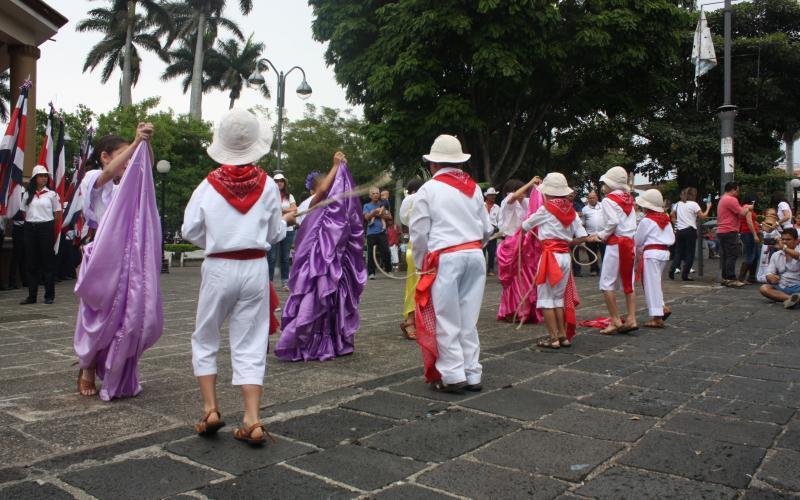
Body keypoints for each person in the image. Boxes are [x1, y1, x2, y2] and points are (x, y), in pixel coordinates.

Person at [182, 109, 290, 444]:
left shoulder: (206, 186)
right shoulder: (270, 187)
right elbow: (276, 233)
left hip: (218, 267)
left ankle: (211, 409)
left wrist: (217, 240)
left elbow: (190, 230)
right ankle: (252, 419)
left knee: (206, 336)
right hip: (255, 267)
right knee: (251, 342)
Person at [73, 123, 163, 400]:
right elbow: (111, 172)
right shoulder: (93, 177)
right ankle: (87, 367)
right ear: (105, 156)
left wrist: (144, 144)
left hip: (130, 256)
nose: (130, 158)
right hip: (102, 254)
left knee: (132, 315)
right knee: (98, 314)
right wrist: (136, 142)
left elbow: (143, 170)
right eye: (125, 153)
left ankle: (118, 367)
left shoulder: (127, 185)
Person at [410, 134, 492, 393]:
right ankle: (473, 372)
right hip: (474, 253)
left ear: (433, 164)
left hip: (445, 257)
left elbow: (419, 233)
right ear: (460, 163)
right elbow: (487, 228)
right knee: (468, 318)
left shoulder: (429, 189)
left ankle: (454, 374)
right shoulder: (475, 188)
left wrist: (423, 262)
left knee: (447, 318)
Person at [275, 152, 366, 362]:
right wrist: (336, 167)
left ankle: (327, 341)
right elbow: (324, 190)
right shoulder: (312, 203)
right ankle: (312, 341)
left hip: (323, 261)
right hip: (313, 261)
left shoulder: (331, 208)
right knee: (314, 296)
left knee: (327, 298)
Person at [521, 173, 587, 348]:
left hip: (550, 256)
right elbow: (582, 236)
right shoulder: (572, 211)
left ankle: (553, 338)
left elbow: (526, 225)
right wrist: (564, 242)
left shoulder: (545, 209)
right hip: (565, 255)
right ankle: (562, 335)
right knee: (558, 298)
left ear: (548, 192)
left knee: (545, 298)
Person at [586, 166, 638, 335]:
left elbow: (613, 222)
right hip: (630, 242)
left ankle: (615, 319)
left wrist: (599, 236)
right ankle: (631, 318)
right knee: (628, 282)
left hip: (616, 243)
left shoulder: (609, 200)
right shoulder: (629, 198)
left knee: (606, 283)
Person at [496, 176, 544, 324]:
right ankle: (512, 309)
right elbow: (514, 197)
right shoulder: (507, 201)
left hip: (524, 243)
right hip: (511, 242)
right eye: (521, 190)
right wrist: (530, 182)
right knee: (513, 278)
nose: (524, 193)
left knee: (525, 276)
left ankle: (526, 309)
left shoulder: (527, 202)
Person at [19, 165, 61, 305]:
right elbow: (24, 212)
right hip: (30, 228)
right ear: (34, 178)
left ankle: (49, 295)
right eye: (40, 176)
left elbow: (57, 214)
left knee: (47, 262)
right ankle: (32, 296)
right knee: (31, 263)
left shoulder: (52, 195)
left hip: (46, 227)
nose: (43, 178)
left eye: (45, 176)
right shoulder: (27, 194)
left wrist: (47, 226)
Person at [634, 189, 675, 328]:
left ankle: (657, 317)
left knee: (651, 285)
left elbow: (638, 240)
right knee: (656, 283)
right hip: (664, 252)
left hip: (651, 253)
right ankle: (661, 307)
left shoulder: (646, 220)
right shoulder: (666, 219)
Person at [399, 178, 424, 340]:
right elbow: (405, 220)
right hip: (417, 245)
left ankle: (419, 321)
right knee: (415, 283)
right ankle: (410, 320)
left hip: (426, 245)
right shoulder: (413, 199)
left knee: (421, 284)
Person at [669, 187, 710, 281]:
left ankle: (672, 268)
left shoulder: (678, 204)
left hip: (679, 231)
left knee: (678, 252)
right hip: (690, 231)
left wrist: (676, 222)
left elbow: (672, 214)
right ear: (693, 195)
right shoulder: (694, 204)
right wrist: (708, 207)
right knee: (690, 253)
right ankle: (685, 274)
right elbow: (703, 216)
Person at [717, 182, 752, 287]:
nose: (738, 192)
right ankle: (731, 278)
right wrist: (748, 207)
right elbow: (742, 213)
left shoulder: (723, 198)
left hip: (722, 230)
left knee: (725, 256)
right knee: (732, 255)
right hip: (730, 230)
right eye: (737, 190)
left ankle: (725, 278)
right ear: (732, 189)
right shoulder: (731, 199)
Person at [267, 173, 297, 291]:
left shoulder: (290, 196)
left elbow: (294, 209)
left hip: (288, 230)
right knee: (271, 257)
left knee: (285, 257)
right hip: (273, 228)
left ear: (284, 183)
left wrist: (281, 210)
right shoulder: (269, 195)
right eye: (276, 181)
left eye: (281, 181)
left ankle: (285, 282)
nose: (279, 183)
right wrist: (286, 211)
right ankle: (269, 282)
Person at [759, 228, 800, 309]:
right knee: (764, 288)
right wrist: (770, 277)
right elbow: (769, 272)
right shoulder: (776, 255)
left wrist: (784, 248)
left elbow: (798, 256)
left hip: (798, 286)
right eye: (783, 239)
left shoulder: (797, 252)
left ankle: (792, 298)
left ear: (796, 241)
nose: (784, 242)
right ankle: (791, 299)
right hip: (783, 286)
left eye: (788, 239)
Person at [364, 186, 392, 279]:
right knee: (371, 254)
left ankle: (389, 270)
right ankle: (371, 273)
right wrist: (374, 213)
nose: (376, 195)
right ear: (370, 195)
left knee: (386, 252)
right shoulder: (366, 206)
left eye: (377, 193)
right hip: (371, 233)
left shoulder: (383, 203)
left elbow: (389, 217)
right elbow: (366, 217)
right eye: (373, 193)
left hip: (382, 232)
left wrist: (379, 213)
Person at [738, 197, 761, 283]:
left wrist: (759, 226)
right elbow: (749, 222)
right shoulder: (747, 208)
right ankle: (741, 278)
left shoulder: (746, 208)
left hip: (749, 233)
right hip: (748, 233)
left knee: (755, 255)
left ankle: (751, 277)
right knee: (750, 255)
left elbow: (752, 221)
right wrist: (755, 235)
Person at [581, 190, 604, 276]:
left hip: (602, 234)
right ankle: (594, 269)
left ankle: (604, 270)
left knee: (604, 252)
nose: (592, 199)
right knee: (591, 253)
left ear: (597, 197)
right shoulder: (584, 209)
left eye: (593, 197)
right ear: (588, 199)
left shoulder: (603, 206)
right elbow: (582, 223)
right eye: (590, 198)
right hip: (590, 234)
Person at [570, 192, 585, 276]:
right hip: (565, 232)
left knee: (575, 252)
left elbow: (581, 213)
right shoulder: (563, 203)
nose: (571, 195)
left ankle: (577, 271)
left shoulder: (577, 204)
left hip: (575, 231)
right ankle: (570, 270)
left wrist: (573, 213)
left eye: (573, 194)